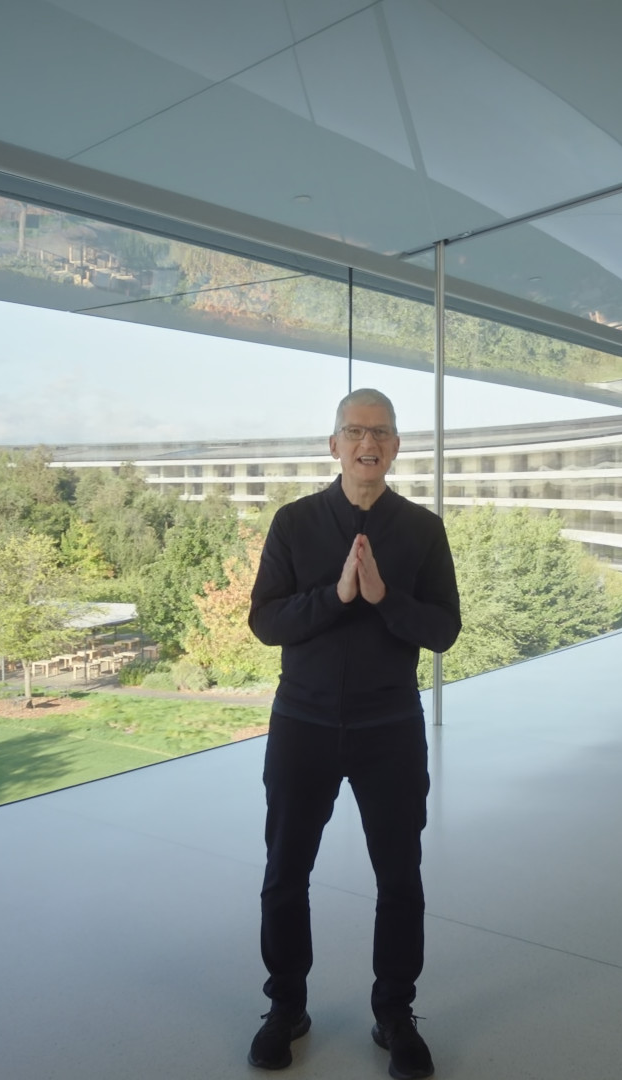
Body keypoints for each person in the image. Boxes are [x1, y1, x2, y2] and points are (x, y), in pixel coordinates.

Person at [245, 388, 460, 1079]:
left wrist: (384, 598)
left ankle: (394, 1012)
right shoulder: (295, 523)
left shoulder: (422, 530)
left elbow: (443, 631)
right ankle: (286, 1008)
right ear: (333, 444)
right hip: (302, 724)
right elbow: (265, 621)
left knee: (400, 878)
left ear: (396, 447)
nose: (369, 443)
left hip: (389, 726)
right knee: (285, 873)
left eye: (382, 432)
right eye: (355, 431)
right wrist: (335, 597)